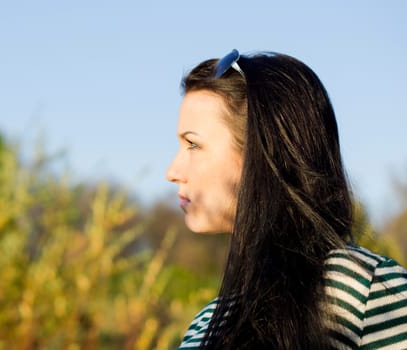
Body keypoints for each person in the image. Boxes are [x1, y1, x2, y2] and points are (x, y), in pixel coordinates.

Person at [166, 49, 407, 349]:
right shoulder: (206, 324)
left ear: (262, 153)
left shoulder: (370, 290)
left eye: (193, 144)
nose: (172, 171)